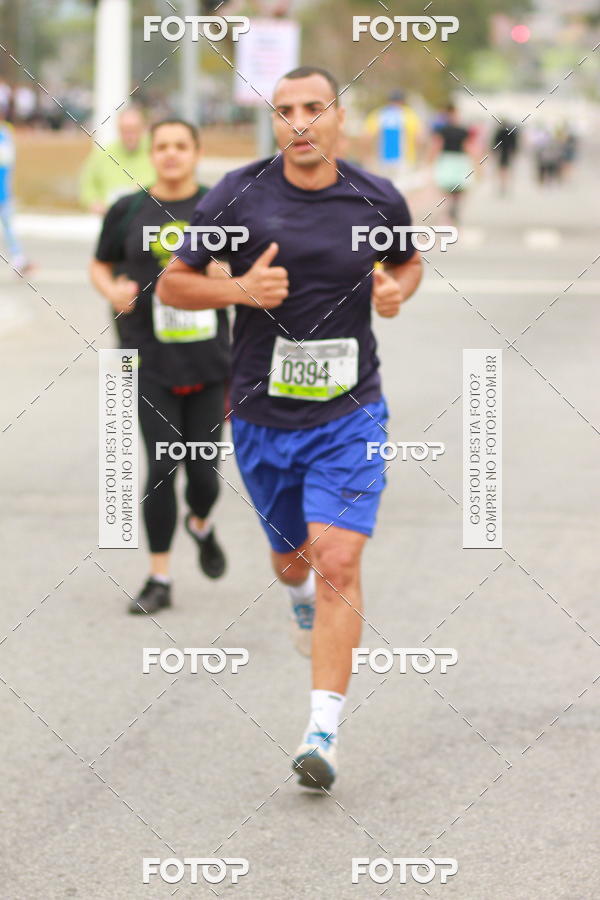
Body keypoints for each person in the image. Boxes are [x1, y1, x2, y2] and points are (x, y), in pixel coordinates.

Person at [157, 67, 423, 789]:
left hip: (350, 411)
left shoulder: (375, 196)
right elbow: (174, 282)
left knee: (338, 560)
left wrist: (398, 292)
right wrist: (237, 289)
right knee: (293, 564)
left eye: (314, 108)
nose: (300, 121)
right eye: (285, 110)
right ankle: (297, 598)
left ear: (340, 116)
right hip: (262, 416)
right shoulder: (239, 194)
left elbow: (406, 262)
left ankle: (322, 731)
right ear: (273, 121)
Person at [90, 119, 230, 615]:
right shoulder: (128, 209)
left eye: (181, 146)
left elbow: (248, 273)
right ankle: (159, 577)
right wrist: (112, 292)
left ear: (196, 151)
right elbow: (101, 263)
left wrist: (223, 275)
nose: (171, 155)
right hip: (150, 360)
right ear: (152, 153)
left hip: (211, 363)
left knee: (205, 478)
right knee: (162, 466)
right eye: (162, 147)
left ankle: (201, 524)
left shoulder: (220, 208)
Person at [80, 106, 156, 214]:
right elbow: (87, 185)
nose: (130, 136)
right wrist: (94, 203)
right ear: (118, 130)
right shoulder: (103, 154)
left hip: (149, 216)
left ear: (143, 128)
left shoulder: (156, 150)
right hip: (112, 217)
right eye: (125, 131)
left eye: (134, 130)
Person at [429, 103, 476, 225]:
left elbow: (437, 145)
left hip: (447, 159)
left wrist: (430, 160)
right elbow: (468, 147)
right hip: (458, 159)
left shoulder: (442, 130)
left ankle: (450, 207)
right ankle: (453, 206)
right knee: (458, 186)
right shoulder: (462, 130)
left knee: (447, 186)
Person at [363, 90, 423, 183]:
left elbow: (366, 137)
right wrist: (419, 159)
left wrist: (368, 157)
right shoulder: (410, 115)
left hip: (382, 160)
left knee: (385, 189)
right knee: (402, 190)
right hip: (405, 160)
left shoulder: (379, 114)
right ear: (402, 101)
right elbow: (418, 139)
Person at [0, 118, 32, 274]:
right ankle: (18, 257)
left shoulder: (5, 134)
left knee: (8, 227)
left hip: (3, 192)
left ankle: (18, 258)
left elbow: (6, 160)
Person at [491, 120, 519, 194]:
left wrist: (494, 153)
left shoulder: (499, 132)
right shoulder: (511, 133)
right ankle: (505, 185)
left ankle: (503, 185)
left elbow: (495, 144)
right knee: (506, 170)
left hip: (502, 153)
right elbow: (514, 145)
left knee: (502, 170)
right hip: (507, 153)